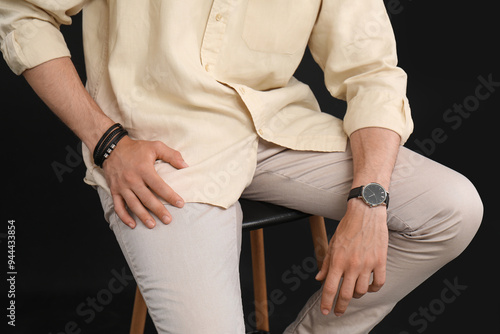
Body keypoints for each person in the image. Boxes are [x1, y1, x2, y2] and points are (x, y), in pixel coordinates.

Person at [0, 1, 483, 333]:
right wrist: (106, 140)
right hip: (162, 151)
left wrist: (369, 198)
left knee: (453, 209)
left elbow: (372, 71)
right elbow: (22, 12)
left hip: (274, 129)